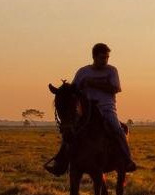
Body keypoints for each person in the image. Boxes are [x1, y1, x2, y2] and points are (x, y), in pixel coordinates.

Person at [45, 43, 137, 175]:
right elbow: (73, 90)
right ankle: (60, 162)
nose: (104, 61)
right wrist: (63, 89)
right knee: (69, 131)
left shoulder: (111, 71)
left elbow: (116, 88)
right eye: (102, 58)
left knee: (117, 129)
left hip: (106, 108)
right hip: (86, 109)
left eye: (106, 58)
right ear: (94, 57)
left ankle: (127, 159)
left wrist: (93, 83)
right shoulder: (83, 72)